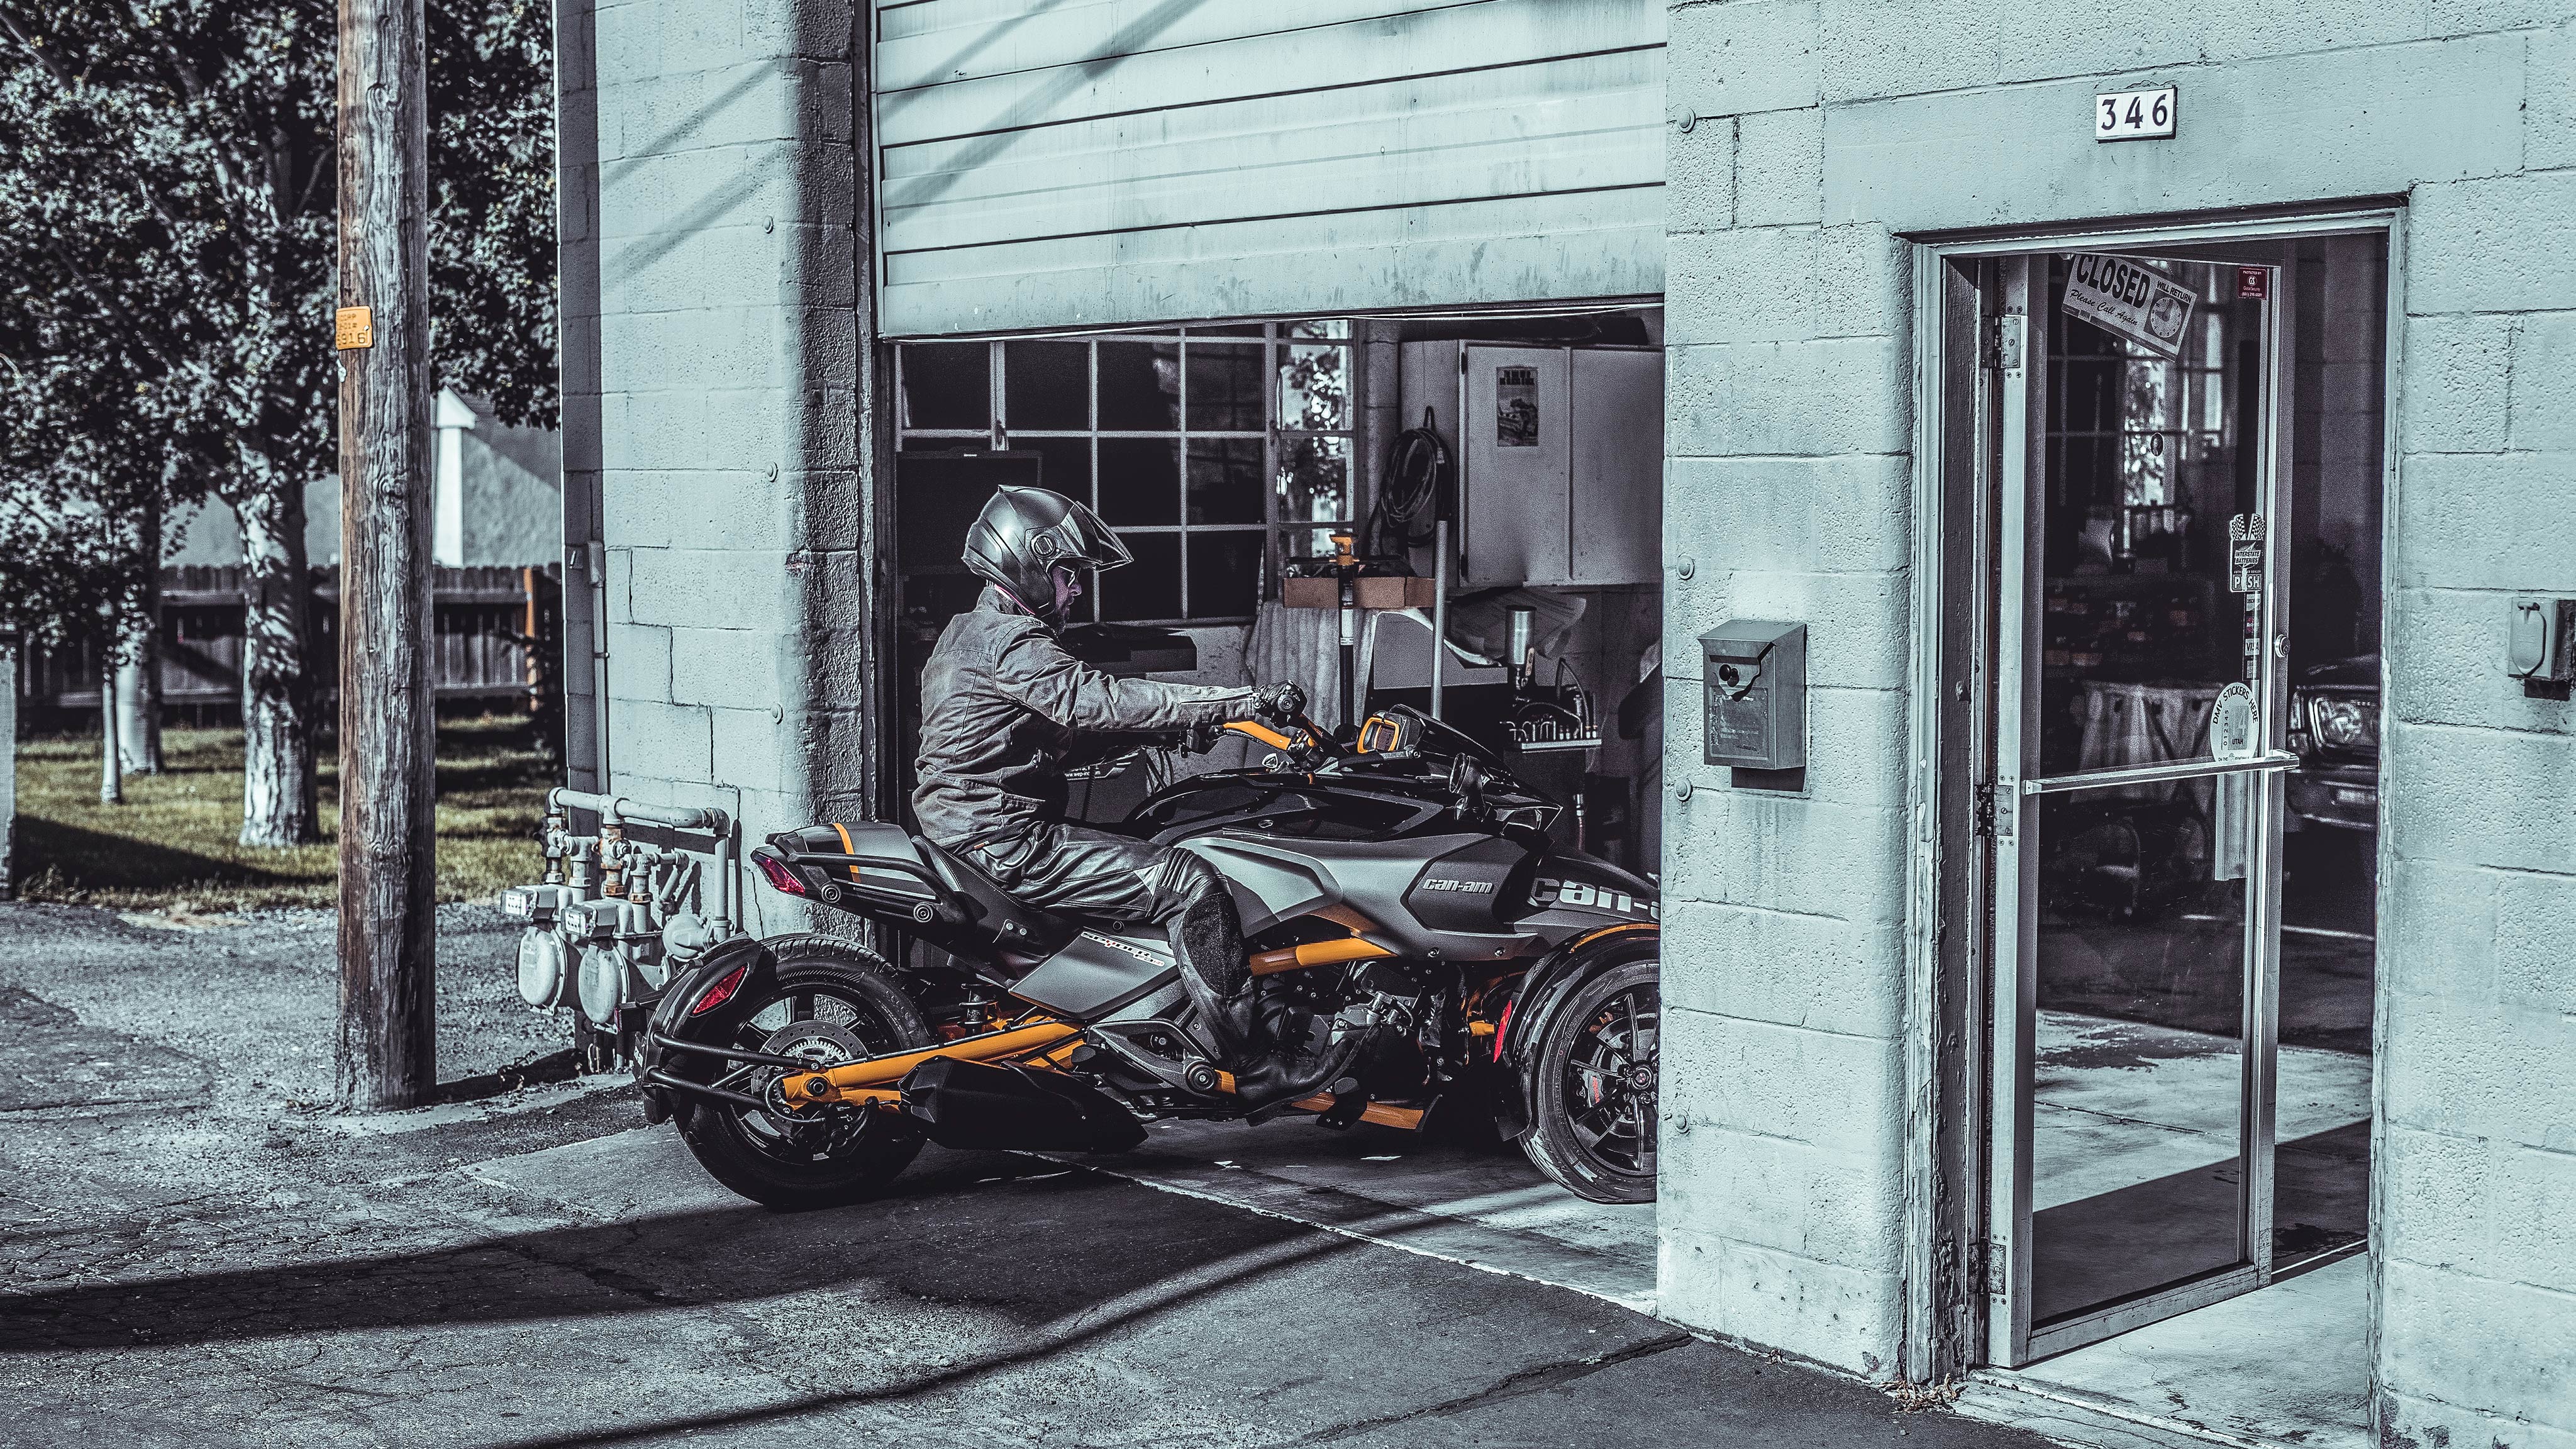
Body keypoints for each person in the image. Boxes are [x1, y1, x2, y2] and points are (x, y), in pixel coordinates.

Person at [913, 485, 1311, 1099]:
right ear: (1028, 563)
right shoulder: (1012, 642)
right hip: (1008, 843)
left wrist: (1167, 736)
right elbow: (1099, 700)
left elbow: (1042, 740)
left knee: (1153, 840)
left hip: (969, 830)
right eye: (1067, 573)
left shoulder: (966, 634)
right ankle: (1254, 1066)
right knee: (1190, 882)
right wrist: (1243, 701)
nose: (1075, 590)